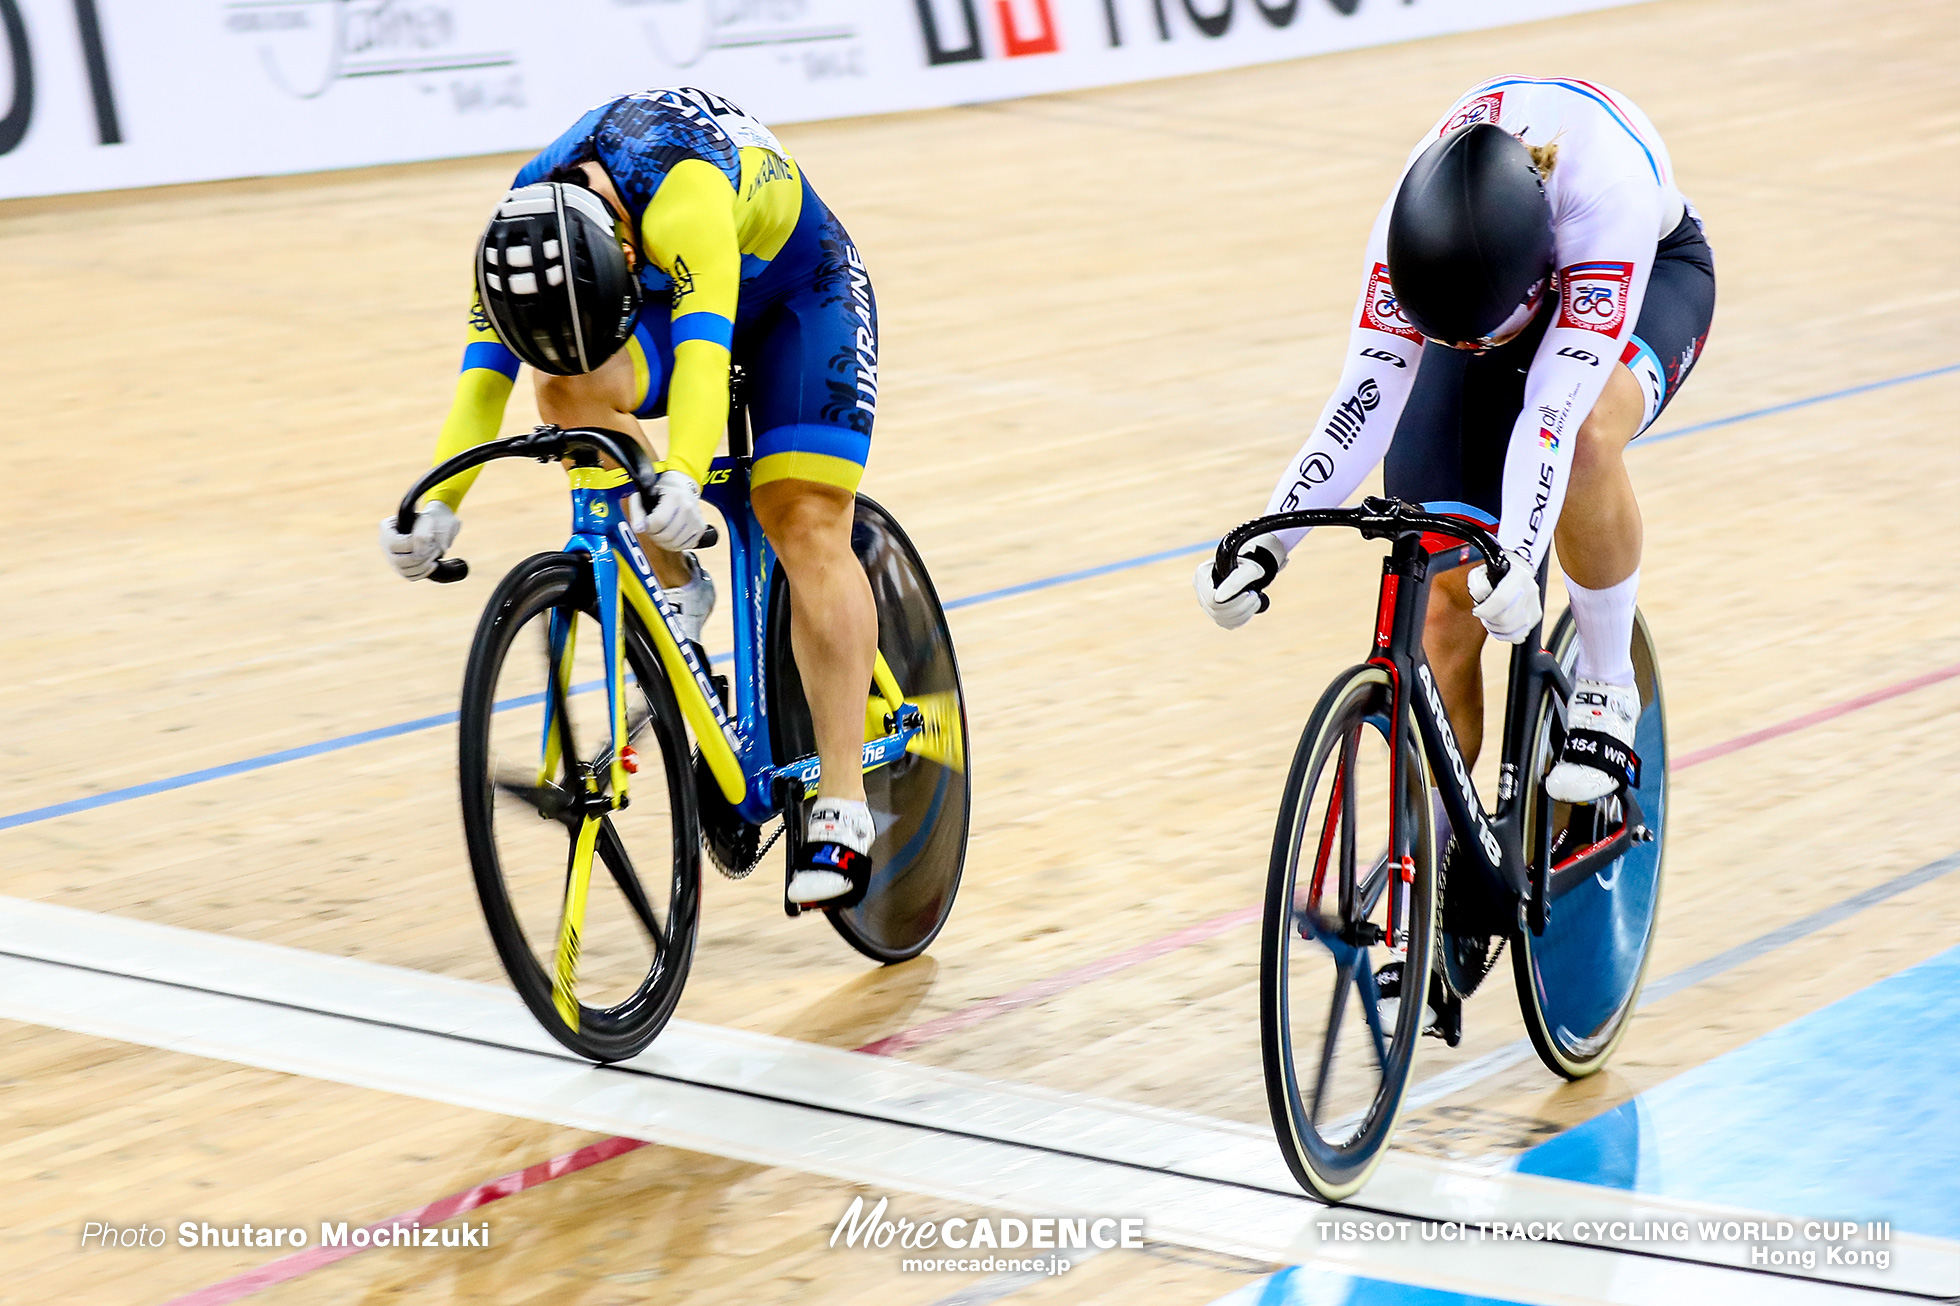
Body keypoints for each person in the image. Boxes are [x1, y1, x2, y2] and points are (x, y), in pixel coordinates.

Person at [380, 86, 882, 906]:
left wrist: (682, 473)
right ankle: (678, 585)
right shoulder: (515, 236)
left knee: (801, 512)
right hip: (659, 288)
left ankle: (842, 803)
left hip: (799, 292)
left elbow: (703, 354)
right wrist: (437, 504)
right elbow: (482, 385)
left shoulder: (682, 196)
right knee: (564, 384)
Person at [1197, 76, 1714, 805]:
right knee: (1443, 589)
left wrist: (1522, 555)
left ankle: (1608, 684)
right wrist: (1269, 541)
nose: (1467, 349)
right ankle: (1435, 855)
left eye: (1478, 337)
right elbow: (1363, 399)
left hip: (1650, 272)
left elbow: (1551, 420)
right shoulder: (1407, 231)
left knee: (1590, 436)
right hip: (1488, 282)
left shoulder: (1605, 200)